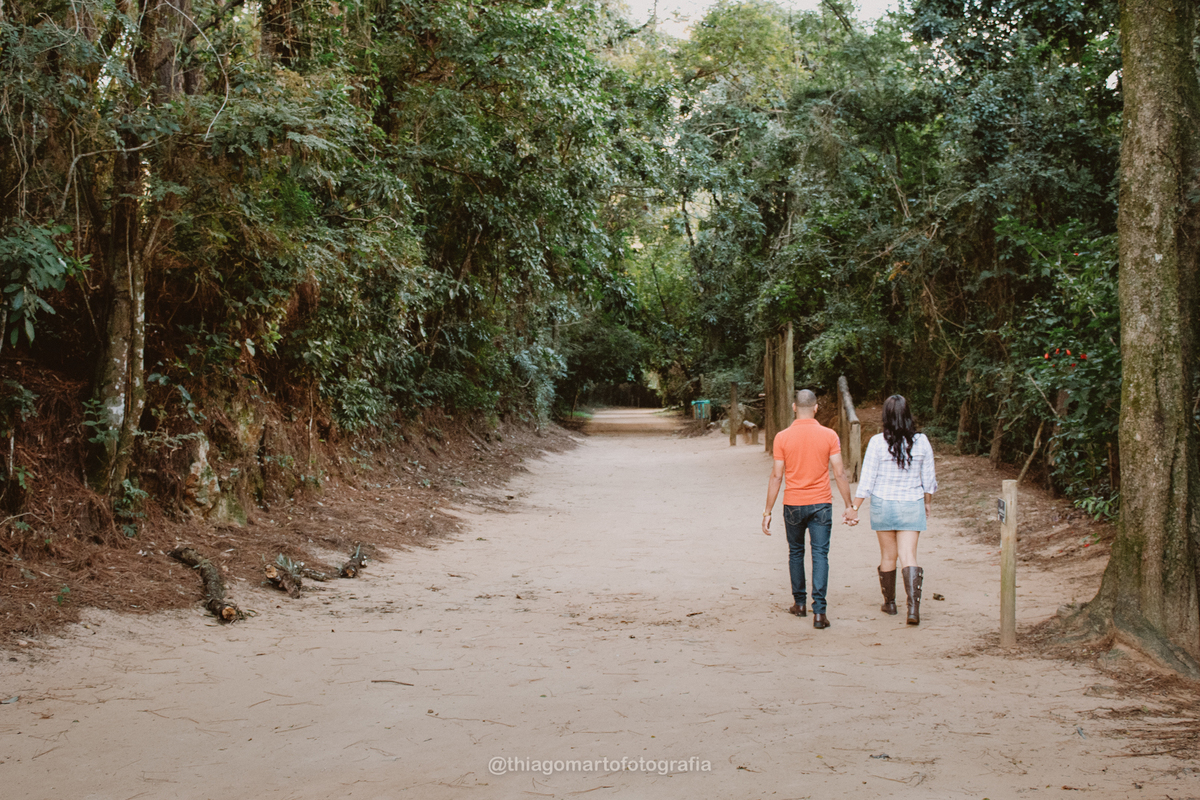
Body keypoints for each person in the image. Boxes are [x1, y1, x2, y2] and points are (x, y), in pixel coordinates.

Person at [762, 389, 858, 629]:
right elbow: (839, 473)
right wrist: (849, 505)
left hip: (793, 503)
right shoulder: (829, 435)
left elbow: (776, 476)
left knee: (796, 553)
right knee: (820, 554)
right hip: (821, 503)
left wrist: (767, 511)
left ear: (794, 407)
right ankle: (820, 612)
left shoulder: (782, 437)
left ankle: (800, 604)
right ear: (816, 408)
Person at [849, 394, 937, 625]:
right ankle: (913, 609)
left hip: (883, 503)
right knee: (909, 555)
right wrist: (927, 502)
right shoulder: (922, 441)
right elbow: (928, 479)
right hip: (912, 502)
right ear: (908, 414)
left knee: (888, 555)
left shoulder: (877, 442)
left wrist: (854, 507)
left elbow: (867, 479)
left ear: (885, 416)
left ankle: (889, 603)